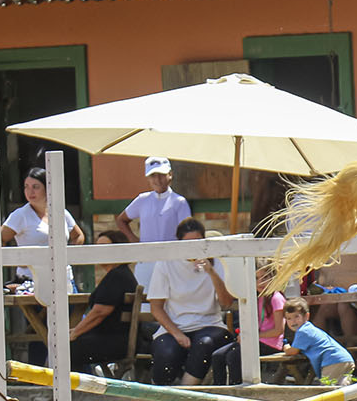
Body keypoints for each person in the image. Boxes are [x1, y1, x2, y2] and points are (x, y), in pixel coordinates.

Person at [148, 217, 237, 386]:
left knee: (204, 344)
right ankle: (159, 392)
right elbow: (156, 308)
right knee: (165, 352)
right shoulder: (166, 264)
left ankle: (186, 389)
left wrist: (211, 273)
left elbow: (226, 303)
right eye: (188, 243)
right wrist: (177, 334)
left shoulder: (217, 263)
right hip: (175, 326)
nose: (193, 248)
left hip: (210, 324)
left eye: (197, 242)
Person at [66, 230, 139, 374]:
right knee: (66, 344)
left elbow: (100, 312)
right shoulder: (119, 274)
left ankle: (77, 390)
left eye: (104, 247)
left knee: (64, 348)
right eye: (97, 247)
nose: (99, 251)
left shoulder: (117, 276)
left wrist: (75, 332)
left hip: (115, 341)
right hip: (114, 339)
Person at [0, 166, 84, 289]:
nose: (30, 192)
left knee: (72, 308)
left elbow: (78, 236)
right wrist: (18, 261)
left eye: (35, 187)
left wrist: (67, 257)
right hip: (31, 282)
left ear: (47, 188)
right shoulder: (20, 215)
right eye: (26, 187)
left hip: (64, 280)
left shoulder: (60, 212)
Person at [116, 156, 191, 289]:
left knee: (171, 301)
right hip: (146, 260)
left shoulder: (179, 202)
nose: (157, 180)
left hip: (172, 261)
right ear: (148, 178)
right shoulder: (142, 200)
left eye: (161, 175)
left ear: (170, 175)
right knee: (145, 302)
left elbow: (187, 232)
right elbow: (122, 220)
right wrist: (134, 240)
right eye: (153, 176)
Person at [209, 289, 288, 385]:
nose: (261, 282)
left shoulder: (276, 298)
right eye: (257, 278)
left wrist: (252, 336)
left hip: (271, 344)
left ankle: (237, 390)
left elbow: (278, 330)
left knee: (234, 356)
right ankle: (220, 390)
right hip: (257, 340)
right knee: (218, 356)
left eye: (266, 277)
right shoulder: (258, 297)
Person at [283, 296, 356, 386]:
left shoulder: (303, 331)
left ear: (306, 316)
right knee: (342, 389)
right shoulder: (309, 328)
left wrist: (286, 348)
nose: (293, 321)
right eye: (289, 318)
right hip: (344, 359)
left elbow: (293, 352)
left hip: (333, 361)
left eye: (296, 316)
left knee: (327, 390)